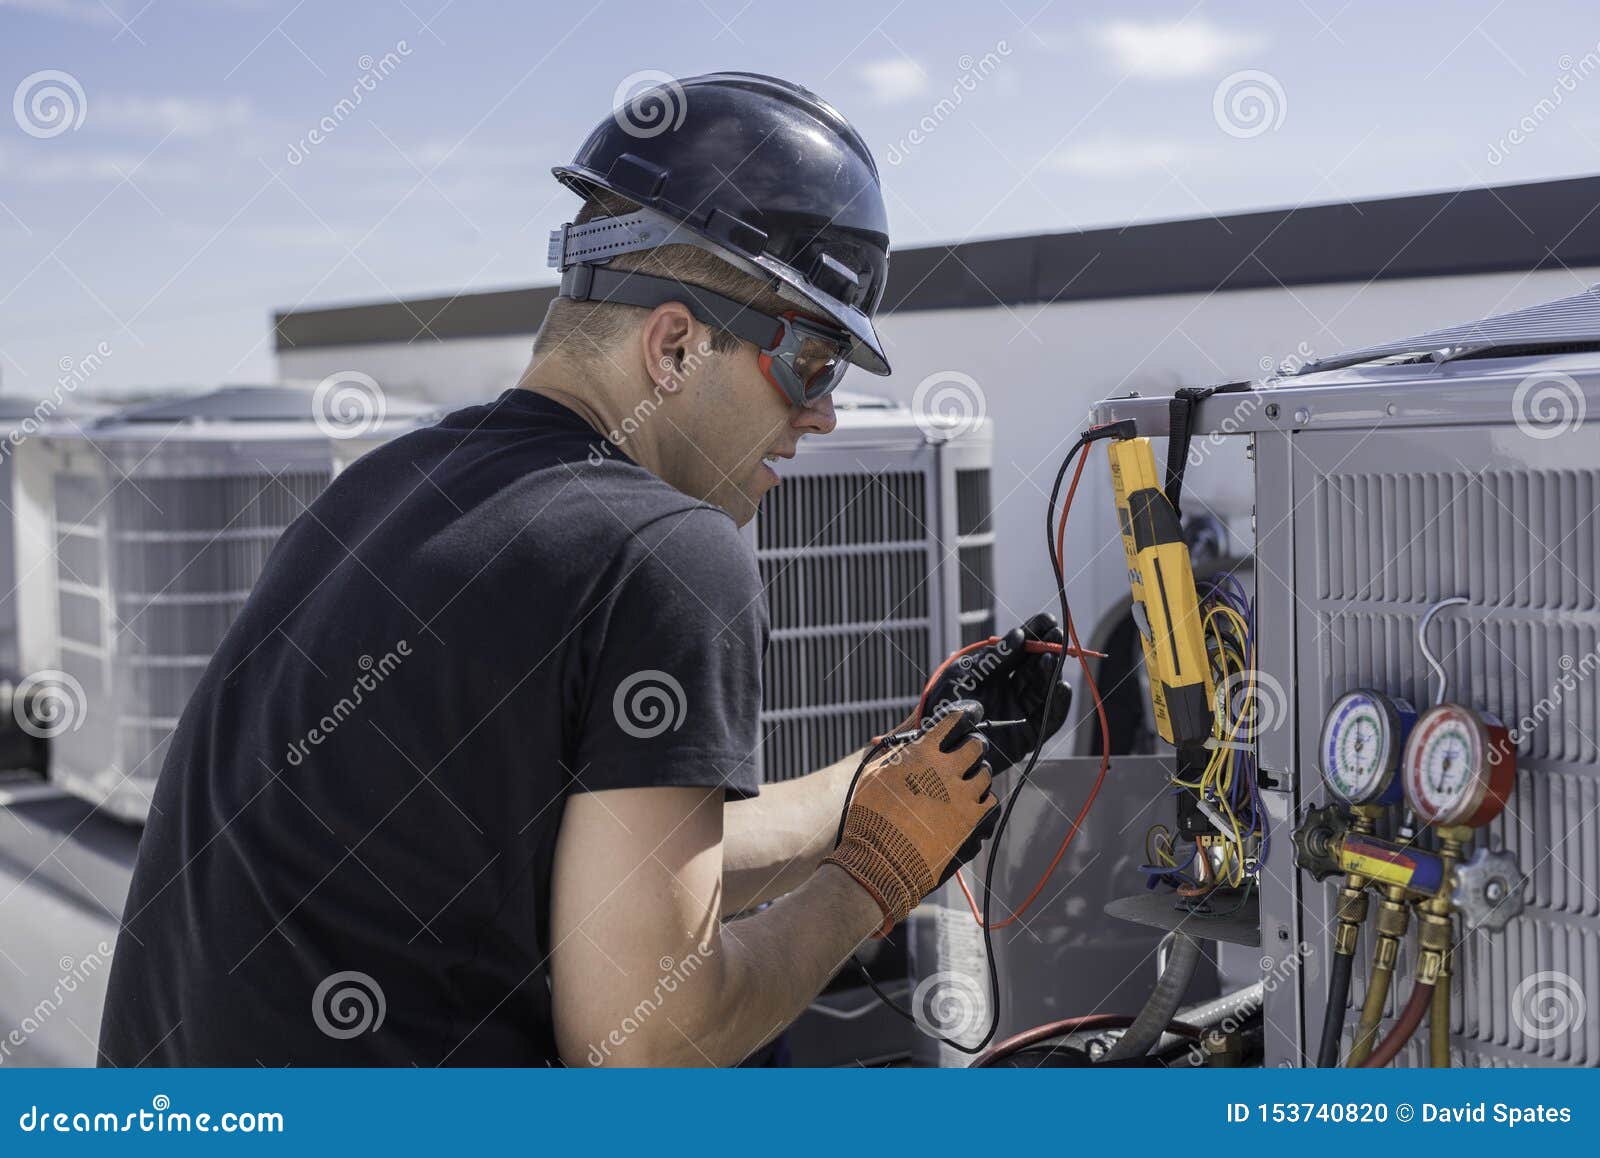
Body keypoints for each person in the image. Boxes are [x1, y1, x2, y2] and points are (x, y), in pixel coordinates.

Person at [98, 72, 1068, 1067]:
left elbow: (600, 885)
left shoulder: (379, 490)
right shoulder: (667, 555)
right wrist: (873, 875)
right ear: (675, 345)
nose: (822, 416)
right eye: (811, 365)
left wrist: (891, 774)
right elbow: (650, 1046)